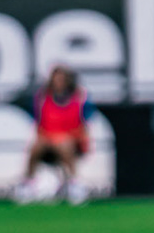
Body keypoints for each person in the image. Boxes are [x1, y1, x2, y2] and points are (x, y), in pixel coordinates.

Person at [14, 65, 96, 205]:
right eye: (56, 79)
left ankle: (73, 184)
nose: (59, 82)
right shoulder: (42, 98)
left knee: (63, 143)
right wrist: (50, 137)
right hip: (48, 141)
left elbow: (83, 127)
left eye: (62, 79)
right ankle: (28, 183)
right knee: (36, 146)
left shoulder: (79, 99)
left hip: (71, 142)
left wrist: (64, 137)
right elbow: (39, 126)